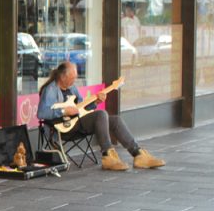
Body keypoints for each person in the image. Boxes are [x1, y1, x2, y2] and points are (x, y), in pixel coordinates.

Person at [37, 61, 165, 171]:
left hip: (77, 123)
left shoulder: (73, 89)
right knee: (101, 114)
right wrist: (64, 112)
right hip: (63, 128)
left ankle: (138, 154)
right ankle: (107, 155)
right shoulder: (50, 90)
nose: (74, 81)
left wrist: (96, 102)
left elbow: (83, 108)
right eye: (72, 78)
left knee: (115, 120)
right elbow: (41, 113)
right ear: (62, 77)